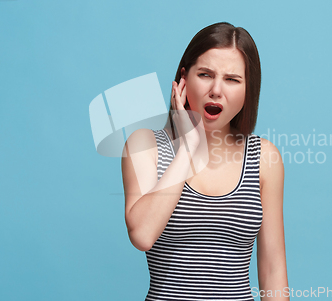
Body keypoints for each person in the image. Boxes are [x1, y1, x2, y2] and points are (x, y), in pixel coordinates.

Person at [121, 22, 288, 300]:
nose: (216, 90)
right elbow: (143, 234)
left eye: (232, 79)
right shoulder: (144, 145)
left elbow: (273, 269)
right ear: (183, 79)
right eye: (205, 74)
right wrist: (187, 146)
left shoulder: (264, 157)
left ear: (248, 89)